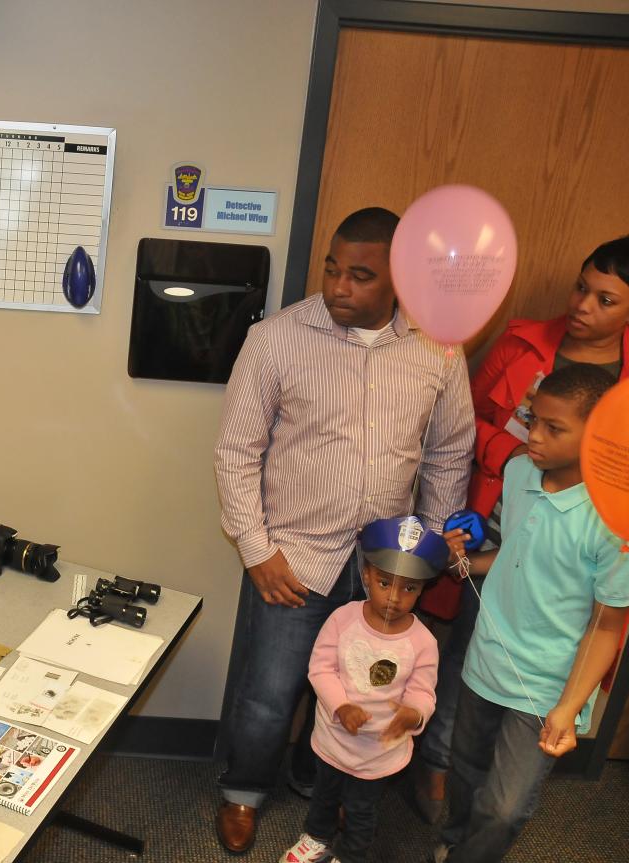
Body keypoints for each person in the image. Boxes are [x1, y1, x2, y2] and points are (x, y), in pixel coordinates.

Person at [213, 207, 474, 853]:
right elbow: (236, 451)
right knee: (270, 691)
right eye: (332, 268)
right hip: (293, 555)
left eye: (360, 275)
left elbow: (447, 452)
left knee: (363, 682)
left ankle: (318, 771)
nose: (338, 287)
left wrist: (433, 544)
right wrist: (257, 550)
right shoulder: (276, 338)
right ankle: (243, 791)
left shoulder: (438, 346)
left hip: (387, 564)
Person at [412, 233, 629, 820]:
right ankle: (440, 766)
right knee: (474, 647)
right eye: (582, 288)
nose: (582, 305)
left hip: (584, 532)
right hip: (505, 512)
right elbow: (463, 415)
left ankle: (527, 750)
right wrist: (511, 455)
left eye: (606, 299)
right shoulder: (524, 339)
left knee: (556, 640)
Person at [431, 364, 629, 863]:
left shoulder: (617, 522)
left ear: (598, 433)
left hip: (548, 685)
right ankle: (454, 844)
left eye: (553, 428)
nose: (532, 436)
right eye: (533, 419)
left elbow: (608, 624)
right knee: (465, 771)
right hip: (485, 661)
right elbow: (515, 555)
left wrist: (568, 707)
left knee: (506, 806)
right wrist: (461, 562)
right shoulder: (518, 473)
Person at [278, 516, 444, 863]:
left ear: (422, 589)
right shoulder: (343, 619)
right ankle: (317, 837)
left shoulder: (423, 642)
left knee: (361, 809)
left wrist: (413, 714)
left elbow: (423, 692)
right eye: (385, 582)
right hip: (333, 740)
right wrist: (341, 706)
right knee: (323, 795)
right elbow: (321, 668)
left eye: (409, 589)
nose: (395, 598)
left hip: (378, 752)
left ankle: (351, 855)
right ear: (367, 574)